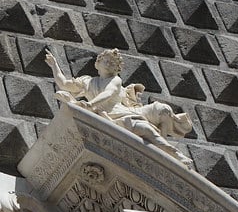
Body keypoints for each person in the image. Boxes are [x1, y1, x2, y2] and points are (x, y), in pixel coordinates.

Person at [45, 48, 193, 165]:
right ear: (98, 62)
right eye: (106, 61)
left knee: (158, 115)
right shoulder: (87, 81)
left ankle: (173, 154)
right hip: (108, 116)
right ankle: (167, 153)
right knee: (146, 129)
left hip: (122, 113)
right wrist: (54, 65)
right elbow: (64, 84)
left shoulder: (115, 80)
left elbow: (108, 93)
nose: (109, 64)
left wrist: (90, 104)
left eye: (113, 63)